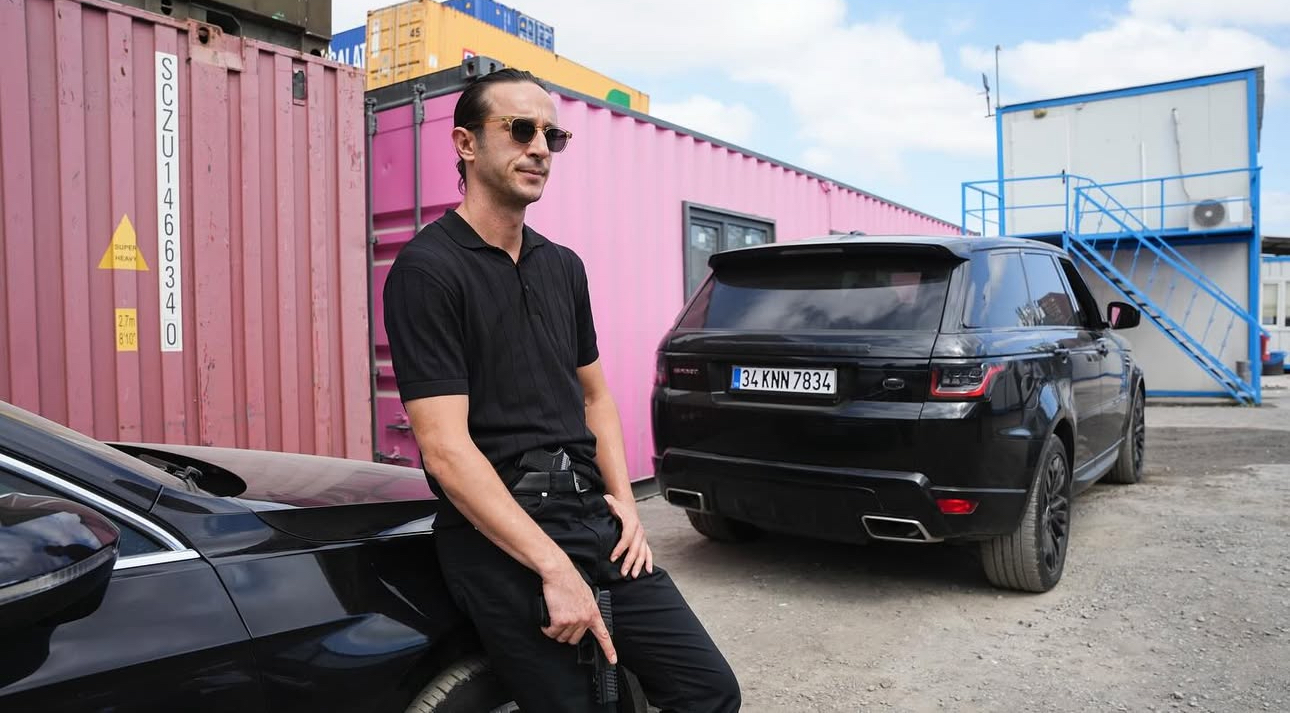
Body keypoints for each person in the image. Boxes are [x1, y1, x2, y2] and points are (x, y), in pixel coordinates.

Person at [382, 68, 741, 712]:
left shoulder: (562, 266)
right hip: (503, 537)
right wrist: (553, 567)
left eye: (553, 135)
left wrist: (625, 503)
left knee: (708, 690)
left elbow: (595, 398)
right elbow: (445, 449)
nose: (540, 148)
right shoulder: (427, 270)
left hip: (591, 517)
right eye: (521, 130)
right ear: (466, 143)